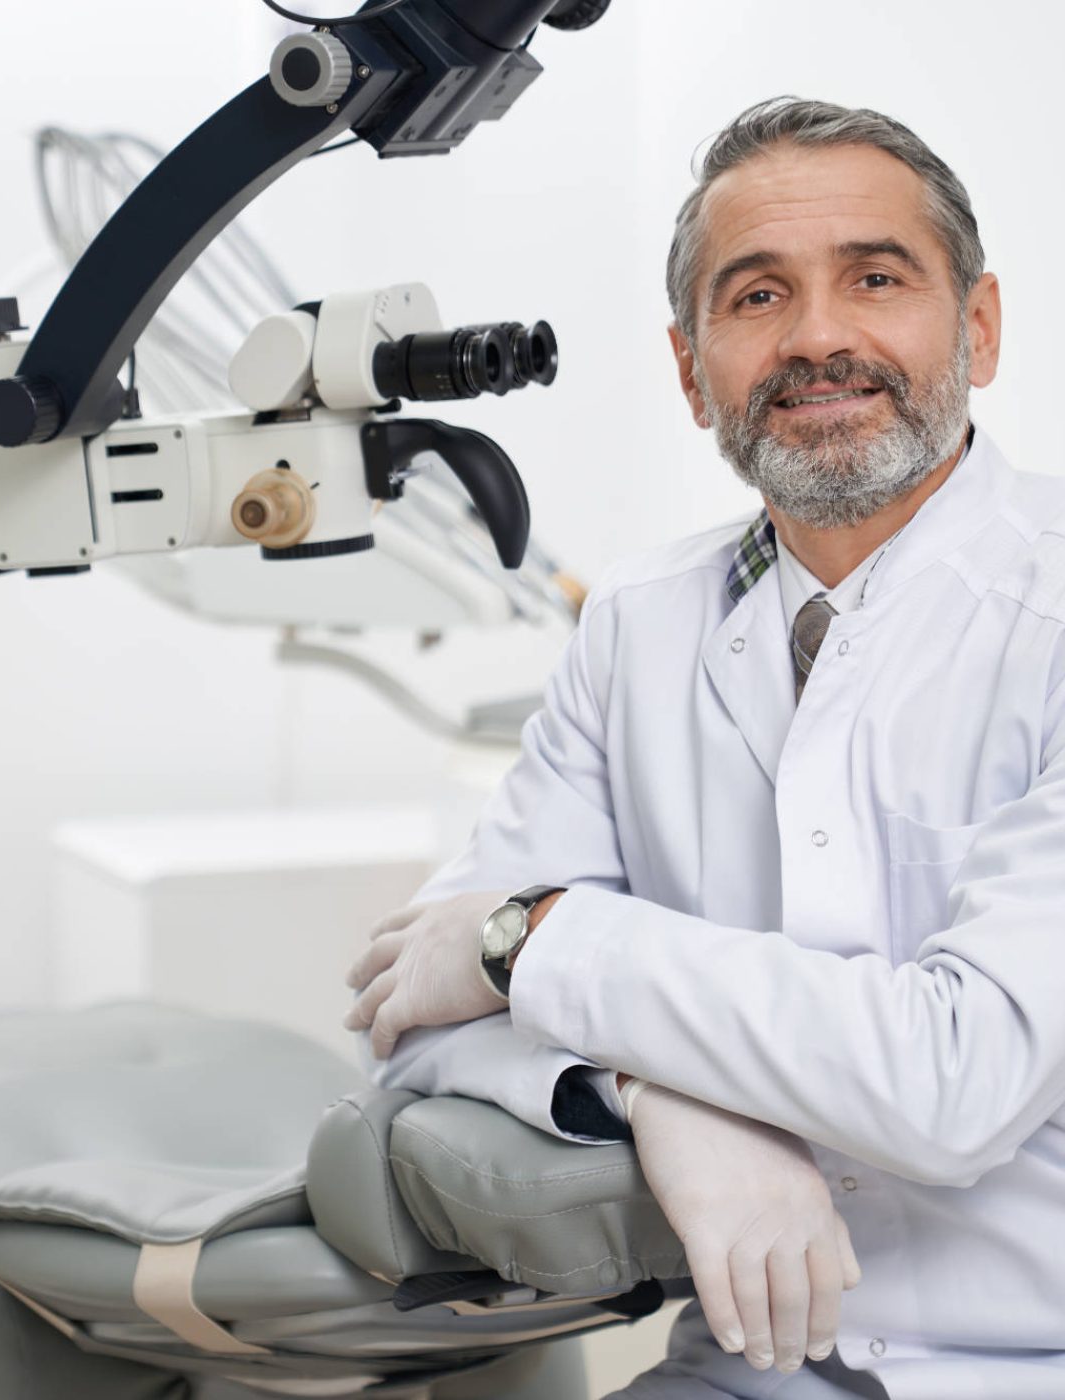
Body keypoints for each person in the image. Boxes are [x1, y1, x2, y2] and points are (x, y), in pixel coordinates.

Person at [344, 96, 1065, 1399]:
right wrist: (650, 1092)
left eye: (877, 277)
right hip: (750, 1371)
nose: (820, 336)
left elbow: (955, 1080)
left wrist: (537, 940)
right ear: (692, 374)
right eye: (756, 297)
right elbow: (408, 1020)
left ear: (981, 327)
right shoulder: (643, 621)